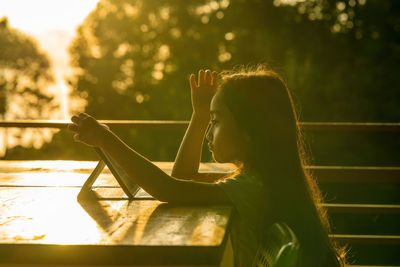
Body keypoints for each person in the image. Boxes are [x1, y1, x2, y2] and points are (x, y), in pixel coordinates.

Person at [68, 66, 346, 266]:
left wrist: (106, 139)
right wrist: (200, 115)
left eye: (216, 120)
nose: (211, 130)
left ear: (248, 130)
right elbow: (183, 177)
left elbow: (167, 187)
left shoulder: (251, 186)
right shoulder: (259, 177)